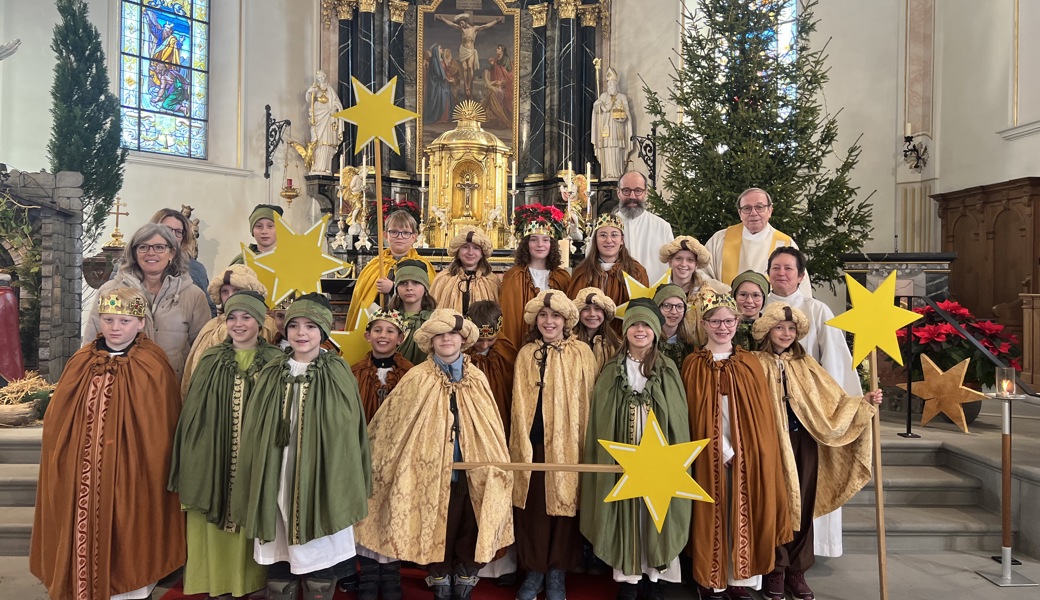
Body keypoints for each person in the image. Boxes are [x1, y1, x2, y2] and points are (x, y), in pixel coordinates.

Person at [31, 287, 185, 600]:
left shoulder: (153, 364)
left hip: (131, 470)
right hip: (79, 469)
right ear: (99, 320)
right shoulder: (80, 361)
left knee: (128, 523)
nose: (115, 327)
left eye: (125, 320)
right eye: (109, 319)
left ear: (140, 323)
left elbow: (161, 428)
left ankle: (128, 585)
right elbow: (58, 420)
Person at [354, 309, 514, 600]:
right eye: (440, 335)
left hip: (471, 466)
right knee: (439, 519)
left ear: (463, 339)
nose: (447, 340)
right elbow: (392, 425)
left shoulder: (476, 378)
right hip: (430, 467)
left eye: (452, 334)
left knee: (470, 518)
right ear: (430, 341)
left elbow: (490, 422)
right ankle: (438, 572)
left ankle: (466, 569)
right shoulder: (417, 378)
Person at [230, 293, 371, 600]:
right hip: (277, 470)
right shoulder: (272, 371)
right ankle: (281, 590)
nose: (301, 333)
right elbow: (256, 427)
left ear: (323, 332)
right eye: (294, 326)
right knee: (279, 534)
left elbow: (347, 429)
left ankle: (320, 590)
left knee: (316, 535)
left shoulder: (336, 370)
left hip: (318, 472)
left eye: (310, 326)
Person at [751, 303, 880, 600]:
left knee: (805, 504)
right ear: (768, 330)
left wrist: (864, 403)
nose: (786, 333)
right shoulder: (754, 363)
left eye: (791, 329)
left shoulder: (806, 364)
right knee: (776, 506)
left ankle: (797, 571)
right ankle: (775, 569)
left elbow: (833, 399)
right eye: (780, 328)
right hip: (770, 444)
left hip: (804, 442)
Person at [169, 290, 283, 598]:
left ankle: (250, 582)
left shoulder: (275, 362)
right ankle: (214, 581)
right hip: (213, 453)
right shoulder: (210, 358)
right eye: (232, 317)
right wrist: (194, 453)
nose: (239, 324)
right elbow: (195, 412)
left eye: (246, 317)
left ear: (260, 322)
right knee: (211, 511)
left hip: (254, 457)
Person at [681, 291, 792, 600]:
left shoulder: (750, 363)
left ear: (737, 322)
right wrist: (721, 448)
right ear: (704, 324)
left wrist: (746, 450)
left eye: (728, 321)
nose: (722, 327)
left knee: (745, 511)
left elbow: (761, 416)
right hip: (709, 455)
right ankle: (712, 581)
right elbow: (690, 414)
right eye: (715, 321)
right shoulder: (692, 365)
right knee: (712, 516)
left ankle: (738, 580)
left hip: (749, 455)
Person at [581, 298, 691, 600]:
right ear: (626, 329)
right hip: (622, 459)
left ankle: (653, 578)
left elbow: (678, 419)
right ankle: (628, 580)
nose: (640, 330)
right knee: (625, 513)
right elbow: (600, 419)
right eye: (634, 324)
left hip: (659, 461)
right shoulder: (611, 370)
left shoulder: (667, 369)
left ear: (656, 330)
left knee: (653, 515)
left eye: (646, 325)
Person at [765, 246, 861, 562]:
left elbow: (834, 365)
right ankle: (770, 561)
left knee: (806, 488)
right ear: (768, 273)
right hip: (766, 416)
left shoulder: (817, 311)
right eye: (776, 268)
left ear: (801, 275)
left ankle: (802, 561)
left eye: (788, 269)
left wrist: (843, 411)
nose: (781, 273)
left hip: (806, 416)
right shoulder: (756, 307)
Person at [511, 290, 597, 600]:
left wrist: (584, 443)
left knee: (564, 509)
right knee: (534, 511)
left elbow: (588, 402)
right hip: (532, 444)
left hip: (568, 444)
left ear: (566, 321)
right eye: (544, 316)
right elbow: (518, 403)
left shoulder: (580, 353)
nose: (549, 321)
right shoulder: (526, 354)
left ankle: (558, 571)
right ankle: (535, 571)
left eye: (556, 316)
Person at [85, 222, 210, 381]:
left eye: (159, 247)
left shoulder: (193, 295)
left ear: (171, 253)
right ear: (134, 253)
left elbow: (201, 349)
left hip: (172, 386)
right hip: (121, 386)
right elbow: (91, 343)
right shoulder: (110, 291)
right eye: (143, 247)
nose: (151, 253)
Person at [348, 308, 413, 600]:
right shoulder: (354, 372)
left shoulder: (411, 373)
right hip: (364, 455)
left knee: (393, 512)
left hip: (398, 455)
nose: (383, 336)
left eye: (390, 331)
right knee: (366, 514)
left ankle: (391, 575)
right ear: (367, 335)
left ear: (400, 338)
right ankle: (369, 573)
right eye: (377, 330)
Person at [181, 264, 279, 395]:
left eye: (237, 290)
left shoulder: (267, 325)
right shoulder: (211, 326)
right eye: (225, 291)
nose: (230, 296)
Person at [703, 188, 812, 297]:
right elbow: (701, 273)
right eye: (747, 208)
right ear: (740, 213)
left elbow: (801, 285)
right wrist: (723, 291)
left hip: (771, 311)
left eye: (759, 207)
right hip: (726, 309)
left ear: (770, 210)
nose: (753, 213)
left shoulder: (785, 244)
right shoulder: (721, 238)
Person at [346, 210, 436, 331]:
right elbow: (361, 301)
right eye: (394, 232)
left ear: (414, 237)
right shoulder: (375, 265)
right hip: (379, 326)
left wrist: (393, 289)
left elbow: (430, 297)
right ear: (385, 235)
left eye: (405, 233)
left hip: (414, 326)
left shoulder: (422, 266)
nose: (399, 237)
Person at [499, 207, 571, 348]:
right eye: (534, 240)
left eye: (545, 240)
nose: (540, 245)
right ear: (526, 244)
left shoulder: (562, 277)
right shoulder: (513, 276)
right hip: (521, 339)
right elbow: (509, 318)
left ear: (552, 244)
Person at [568, 213, 649, 312]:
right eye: (603, 235)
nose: (609, 240)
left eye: (614, 235)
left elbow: (642, 311)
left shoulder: (636, 272)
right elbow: (573, 310)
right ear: (595, 240)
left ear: (622, 240)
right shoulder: (582, 272)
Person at [465, 300, 517, 437]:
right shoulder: (460, 351)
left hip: (500, 415)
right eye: (479, 340)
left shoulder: (507, 351)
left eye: (491, 339)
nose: (484, 345)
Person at [150, 207, 215, 316]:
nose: (173, 235)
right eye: (167, 229)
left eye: (178, 232)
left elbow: (208, 310)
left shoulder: (196, 268)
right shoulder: (132, 264)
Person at [614, 172, 674, 283]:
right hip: (614, 297)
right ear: (618, 192)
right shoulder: (605, 226)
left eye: (638, 191)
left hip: (654, 296)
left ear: (645, 193)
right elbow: (591, 262)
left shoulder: (662, 227)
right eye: (626, 191)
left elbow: (673, 267)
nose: (632, 196)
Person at [430, 226, 501, 314]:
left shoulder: (492, 282)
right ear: (458, 251)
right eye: (465, 247)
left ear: (482, 253)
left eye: (476, 248)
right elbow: (431, 310)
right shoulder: (443, 279)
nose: (470, 252)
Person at [435, 12, 505, 99]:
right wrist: (442, 19)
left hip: (471, 50)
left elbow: (485, 26)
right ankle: (467, 86)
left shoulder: (474, 28)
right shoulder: (461, 29)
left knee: (470, 67)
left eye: (462, 23)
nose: (461, 25)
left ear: (465, 21)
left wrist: (495, 21)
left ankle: (469, 84)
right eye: (460, 23)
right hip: (463, 50)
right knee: (464, 68)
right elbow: (452, 24)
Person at [386, 259, 438, 365]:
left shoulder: (436, 320)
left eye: (416, 282)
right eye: (403, 283)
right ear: (396, 288)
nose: (409, 288)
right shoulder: (388, 319)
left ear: (425, 287)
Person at [591, 68, 634, 181]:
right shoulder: (603, 96)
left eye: (613, 83)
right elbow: (596, 111)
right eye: (609, 83)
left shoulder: (622, 97)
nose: (611, 85)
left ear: (616, 85)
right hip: (605, 129)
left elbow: (627, 114)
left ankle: (617, 173)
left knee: (616, 149)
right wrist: (598, 105)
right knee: (607, 149)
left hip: (618, 129)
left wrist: (622, 116)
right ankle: (607, 173)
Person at [571, 286, 621, 373]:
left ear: (604, 313)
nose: (592, 314)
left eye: (597, 308)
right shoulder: (569, 344)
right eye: (586, 309)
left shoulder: (615, 345)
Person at [307, 69, 343, 175]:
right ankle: (317, 167)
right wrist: (311, 93)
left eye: (323, 77)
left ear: (325, 77)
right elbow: (309, 100)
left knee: (327, 142)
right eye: (319, 77)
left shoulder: (330, 89)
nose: (321, 79)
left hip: (329, 117)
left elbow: (337, 102)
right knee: (317, 141)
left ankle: (326, 167)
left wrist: (334, 108)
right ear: (317, 79)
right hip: (318, 118)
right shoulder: (315, 88)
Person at [653, 283, 697, 368]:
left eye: (679, 306)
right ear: (658, 308)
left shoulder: (690, 344)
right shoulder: (649, 343)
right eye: (667, 306)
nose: (673, 311)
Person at [730, 270, 770, 350]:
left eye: (756, 295)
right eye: (743, 294)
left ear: (764, 299)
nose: (749, 301)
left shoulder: (771, 329)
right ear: (734, 297)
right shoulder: (725, 328)